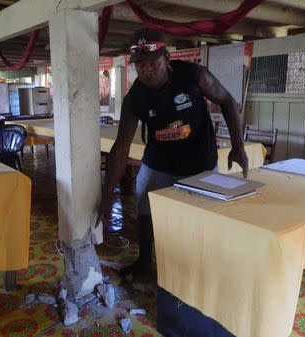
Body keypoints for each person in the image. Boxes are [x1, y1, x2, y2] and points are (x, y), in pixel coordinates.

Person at [97, 28, 248, 276]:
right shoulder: (135, 97)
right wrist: (107, 195)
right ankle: (145, 262)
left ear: (166, 59)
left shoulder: (193, 75)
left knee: (199, 220)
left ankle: (196, 271)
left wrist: (238, 147)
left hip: (199, 162)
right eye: (140, 65)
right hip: (158, 162)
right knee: (144, 208)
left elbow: (228, 101)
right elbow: (121, 146)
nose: (146, 70)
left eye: (153, 64)